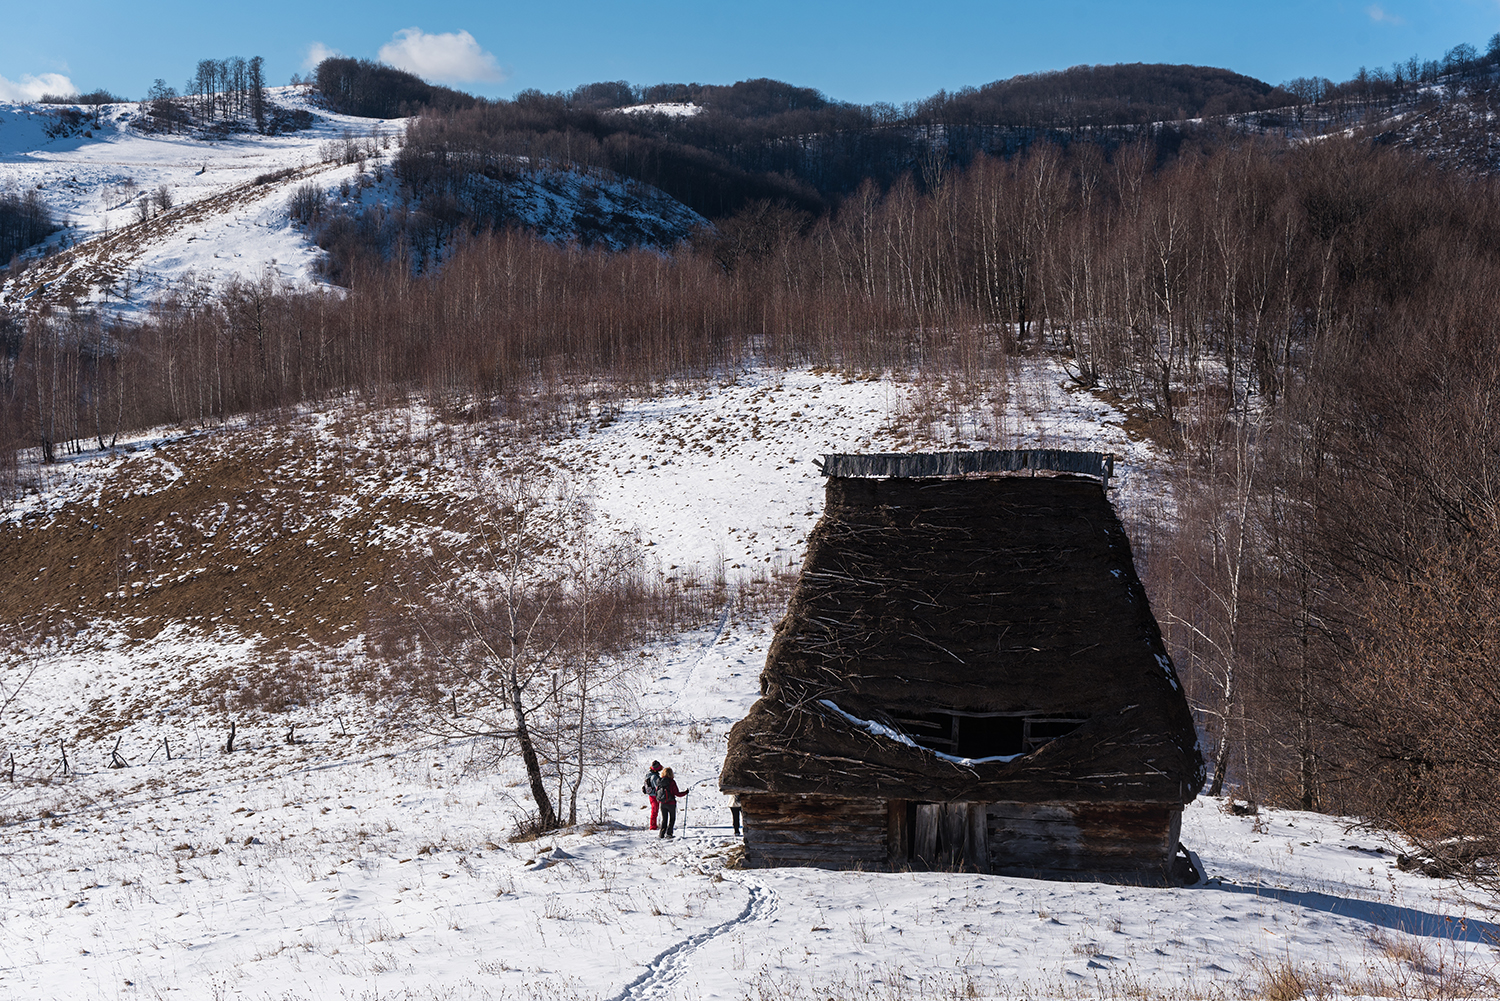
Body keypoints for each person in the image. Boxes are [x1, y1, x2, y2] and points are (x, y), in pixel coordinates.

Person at [656, 767, 689, 838]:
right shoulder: (672, 782)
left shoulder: (659, 781)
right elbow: (677, 793)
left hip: (662, 803)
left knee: (664, 819)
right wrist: (685, 792)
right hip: (671, 803)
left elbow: (657, 792)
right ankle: (669, 834)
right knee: (672, 819)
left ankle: (661, 834)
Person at [642, 761, 663, 830]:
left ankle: (653, 825)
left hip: (651, 795)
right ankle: (653, 826)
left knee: (654, 810)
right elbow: (657, 787)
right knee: (654, 811)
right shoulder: (654, 776)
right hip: (654, 795)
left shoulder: (648, 774)